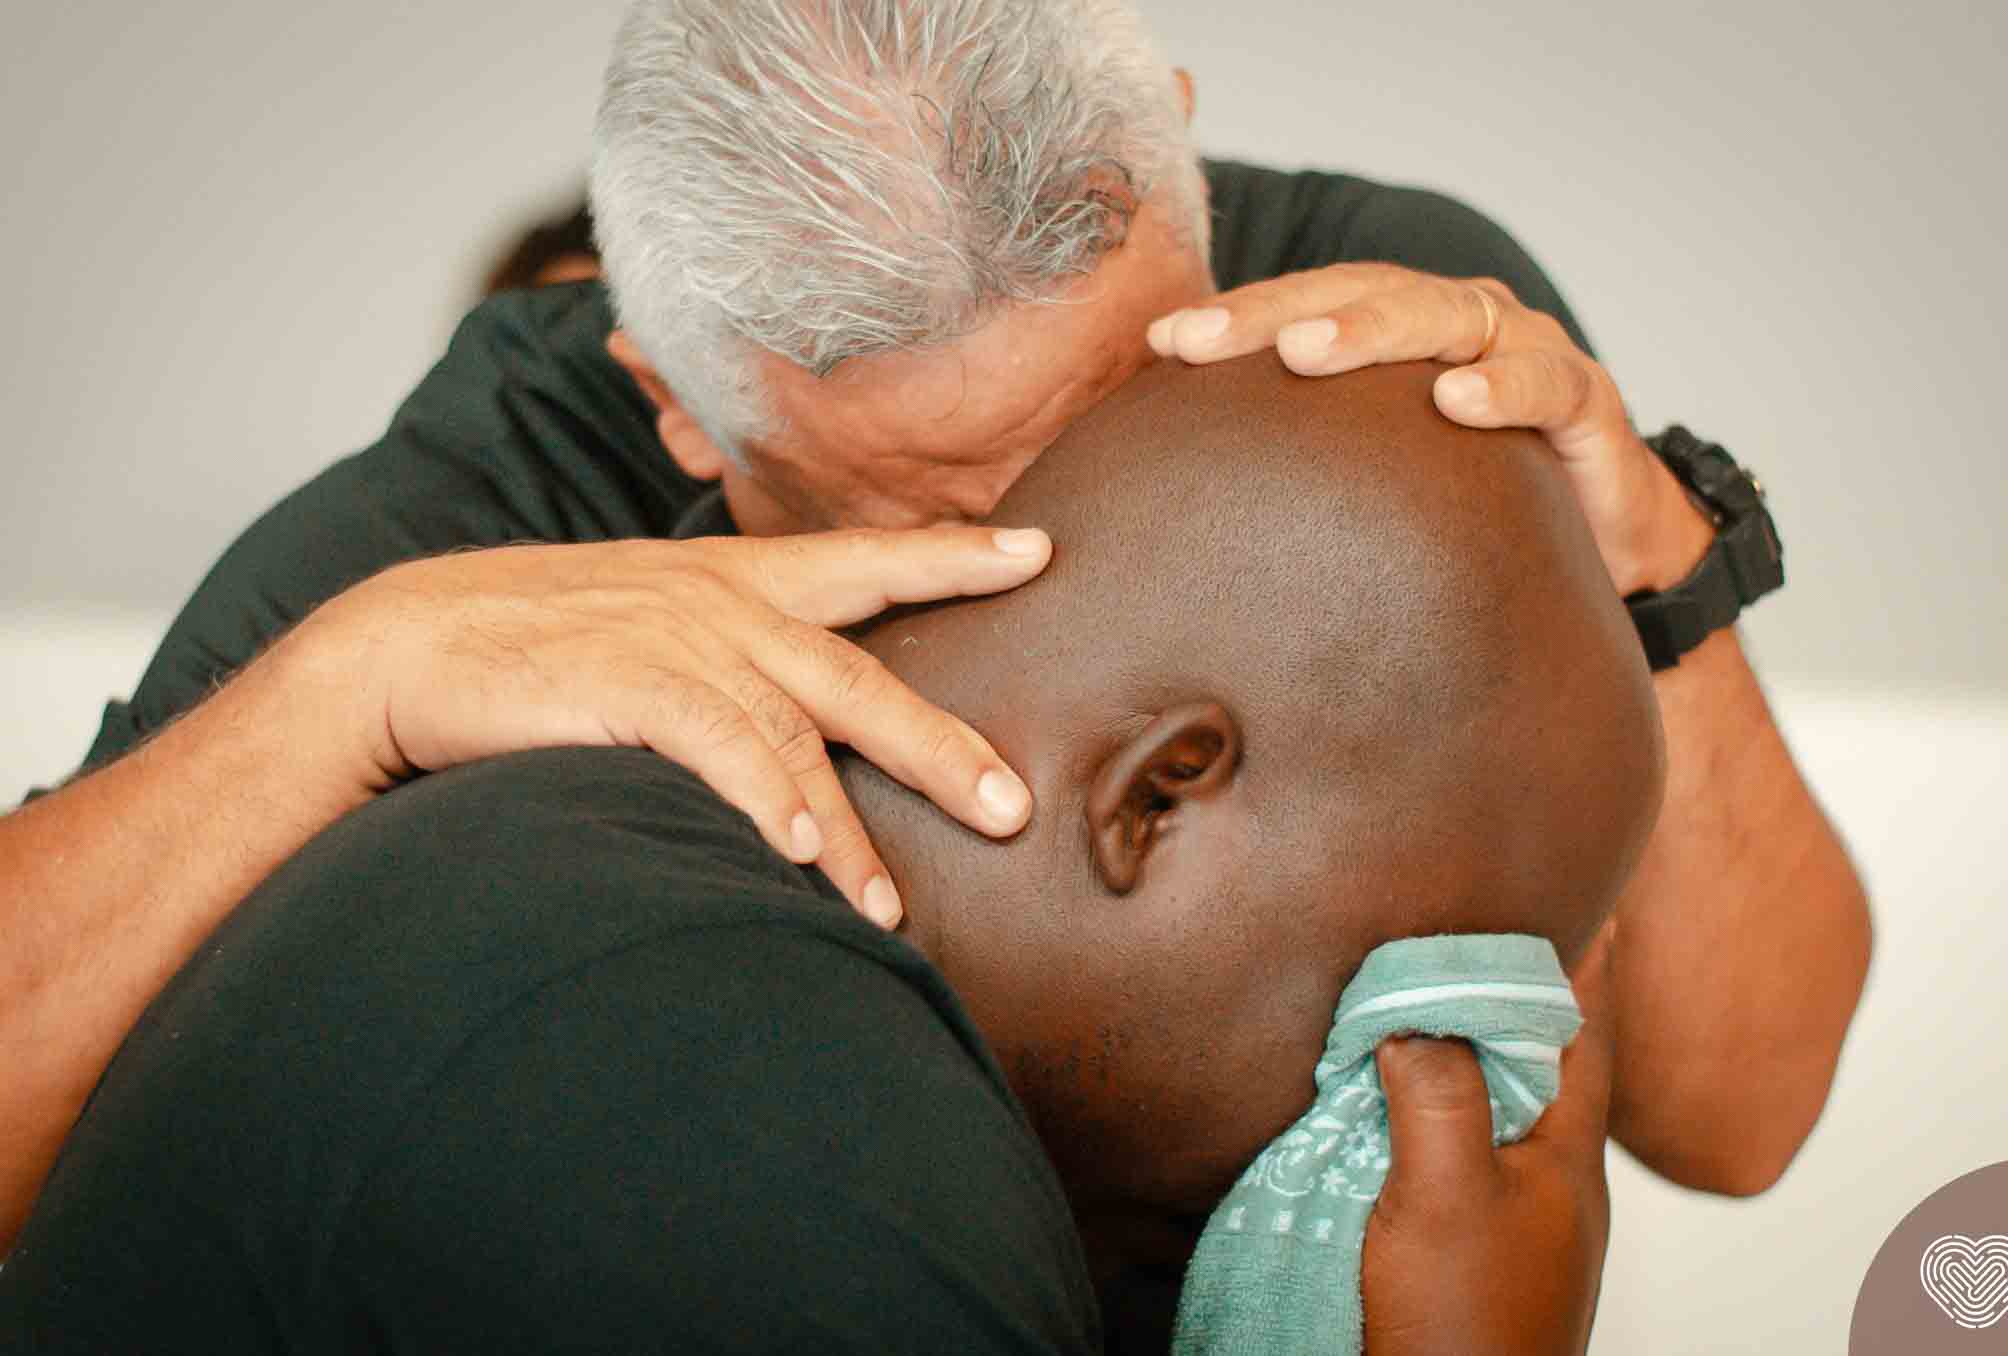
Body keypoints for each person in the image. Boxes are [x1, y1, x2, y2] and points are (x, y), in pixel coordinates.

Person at [0, 0, 1869, 1256]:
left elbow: (1744, 1115)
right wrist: (353, 682)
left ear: (1184, 173)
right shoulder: (497, 490)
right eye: (952, 525)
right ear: (678, 409)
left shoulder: (1392, 325)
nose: (1078, 563)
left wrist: (1657, 552)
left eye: (1129, 423)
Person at [0, 354, 1653, 1354]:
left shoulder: (668, 905)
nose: (1411, 1155)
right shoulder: (737, 1090)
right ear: (1155, 798)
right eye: (1421, 1031)